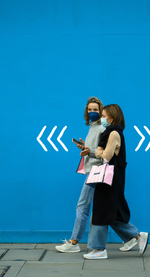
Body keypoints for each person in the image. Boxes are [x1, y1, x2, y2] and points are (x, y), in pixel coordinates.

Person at [84, 104, 149, 260]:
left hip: (109, 180)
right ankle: (137, 236)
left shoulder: (113, 133)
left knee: (102, 212)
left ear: (111, 118)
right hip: (111, 178)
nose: (102, 118)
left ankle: (99, 249)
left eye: (104, 115)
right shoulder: (112, 132)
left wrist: (98, 151)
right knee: (108, 212)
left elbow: (106, 156)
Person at [55, 96, 106, 253]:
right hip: (91, 171)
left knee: (82, 206)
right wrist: (85, 146)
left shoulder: (102, 129)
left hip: (95, 171)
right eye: (89, 109)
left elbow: (103, 152)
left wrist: (88, 151)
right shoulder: (92, 127)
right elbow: (94, 149)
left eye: (95, 110)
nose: (92, 112)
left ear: (101, 111)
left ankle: (74, 242)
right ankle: (134, 237)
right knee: (101, 208)